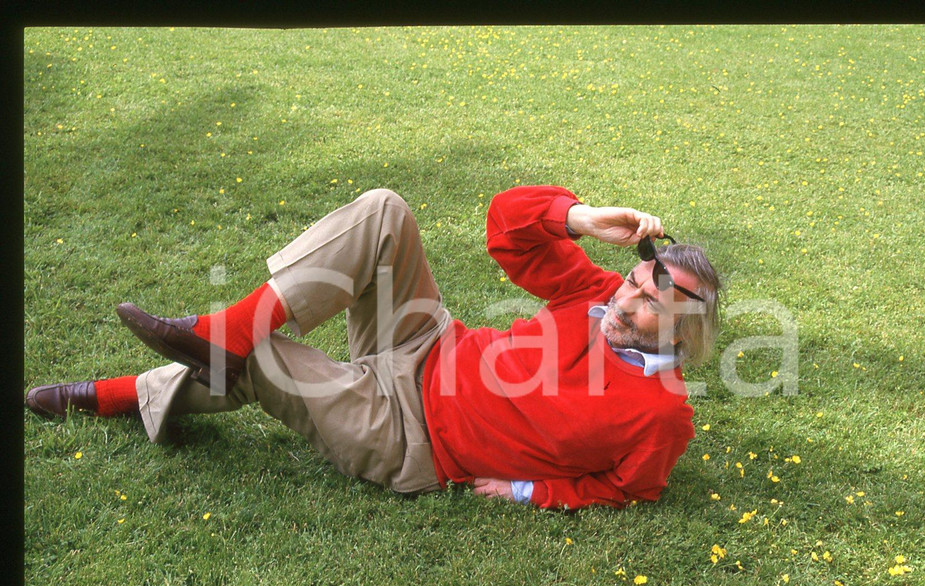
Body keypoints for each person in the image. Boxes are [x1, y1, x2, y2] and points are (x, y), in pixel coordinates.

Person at [25, 185, 720, 510]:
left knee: (263, 358)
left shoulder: (662, 415)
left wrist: (527, 490)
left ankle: (108, 395)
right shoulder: (592, 295)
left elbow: (634, 489)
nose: (623, 303)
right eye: (632, 282)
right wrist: (578, 218)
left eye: (649, 303)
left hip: (410, 439)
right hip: (427, 343)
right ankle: (225, 332)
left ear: (686, 331)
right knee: (385, 211)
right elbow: (507, 229)